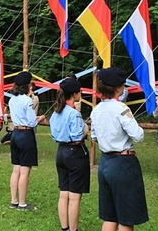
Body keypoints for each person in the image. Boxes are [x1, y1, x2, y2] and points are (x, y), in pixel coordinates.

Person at [90, 67, 148, 230]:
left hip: (105, 163)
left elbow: (93, 136)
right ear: (118, 88)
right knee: (126, 218)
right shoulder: (121, 108)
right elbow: (138, 135)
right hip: (123, 164)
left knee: (110, 216)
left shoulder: (96, 110)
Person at [50, 77, 90, 231]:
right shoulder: (74, 113)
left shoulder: (55, 112)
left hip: (61, 152)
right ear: (74, 94)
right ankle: (74, 229)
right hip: (75, 153)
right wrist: (85, 130)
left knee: (64, 193)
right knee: (74, 196)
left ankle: (65, 228)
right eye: (79, 92)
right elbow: (77, 135)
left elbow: (54, 135)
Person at [8, 71, 45, 211]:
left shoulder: (12, 99)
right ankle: (22, 203)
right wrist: (39, 118)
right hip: (25, 134)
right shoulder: (27, 101)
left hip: (15, 132)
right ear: (27, 85)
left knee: (15, 170)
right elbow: (31, 121)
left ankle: (14, 200)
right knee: (24, 171)